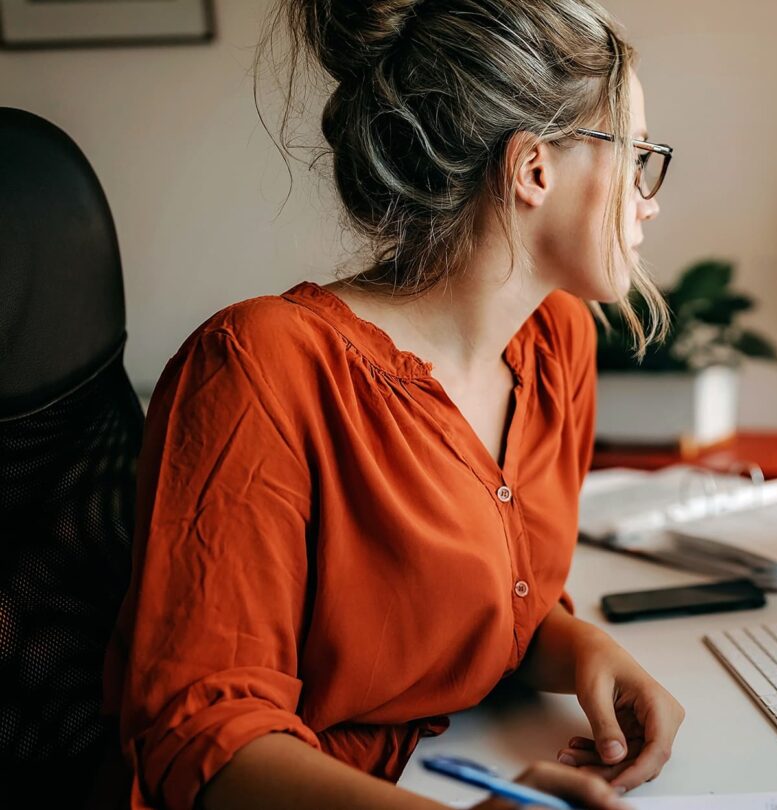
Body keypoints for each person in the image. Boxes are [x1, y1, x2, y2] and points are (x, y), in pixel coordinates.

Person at [98, 1, 682, 807]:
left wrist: (578, 648)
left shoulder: (558, 344)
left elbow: (488, 608)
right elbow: (200, 735)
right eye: (638, 154)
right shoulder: (261, 366)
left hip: (460, 758)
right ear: (534, 170)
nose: (649, 199)